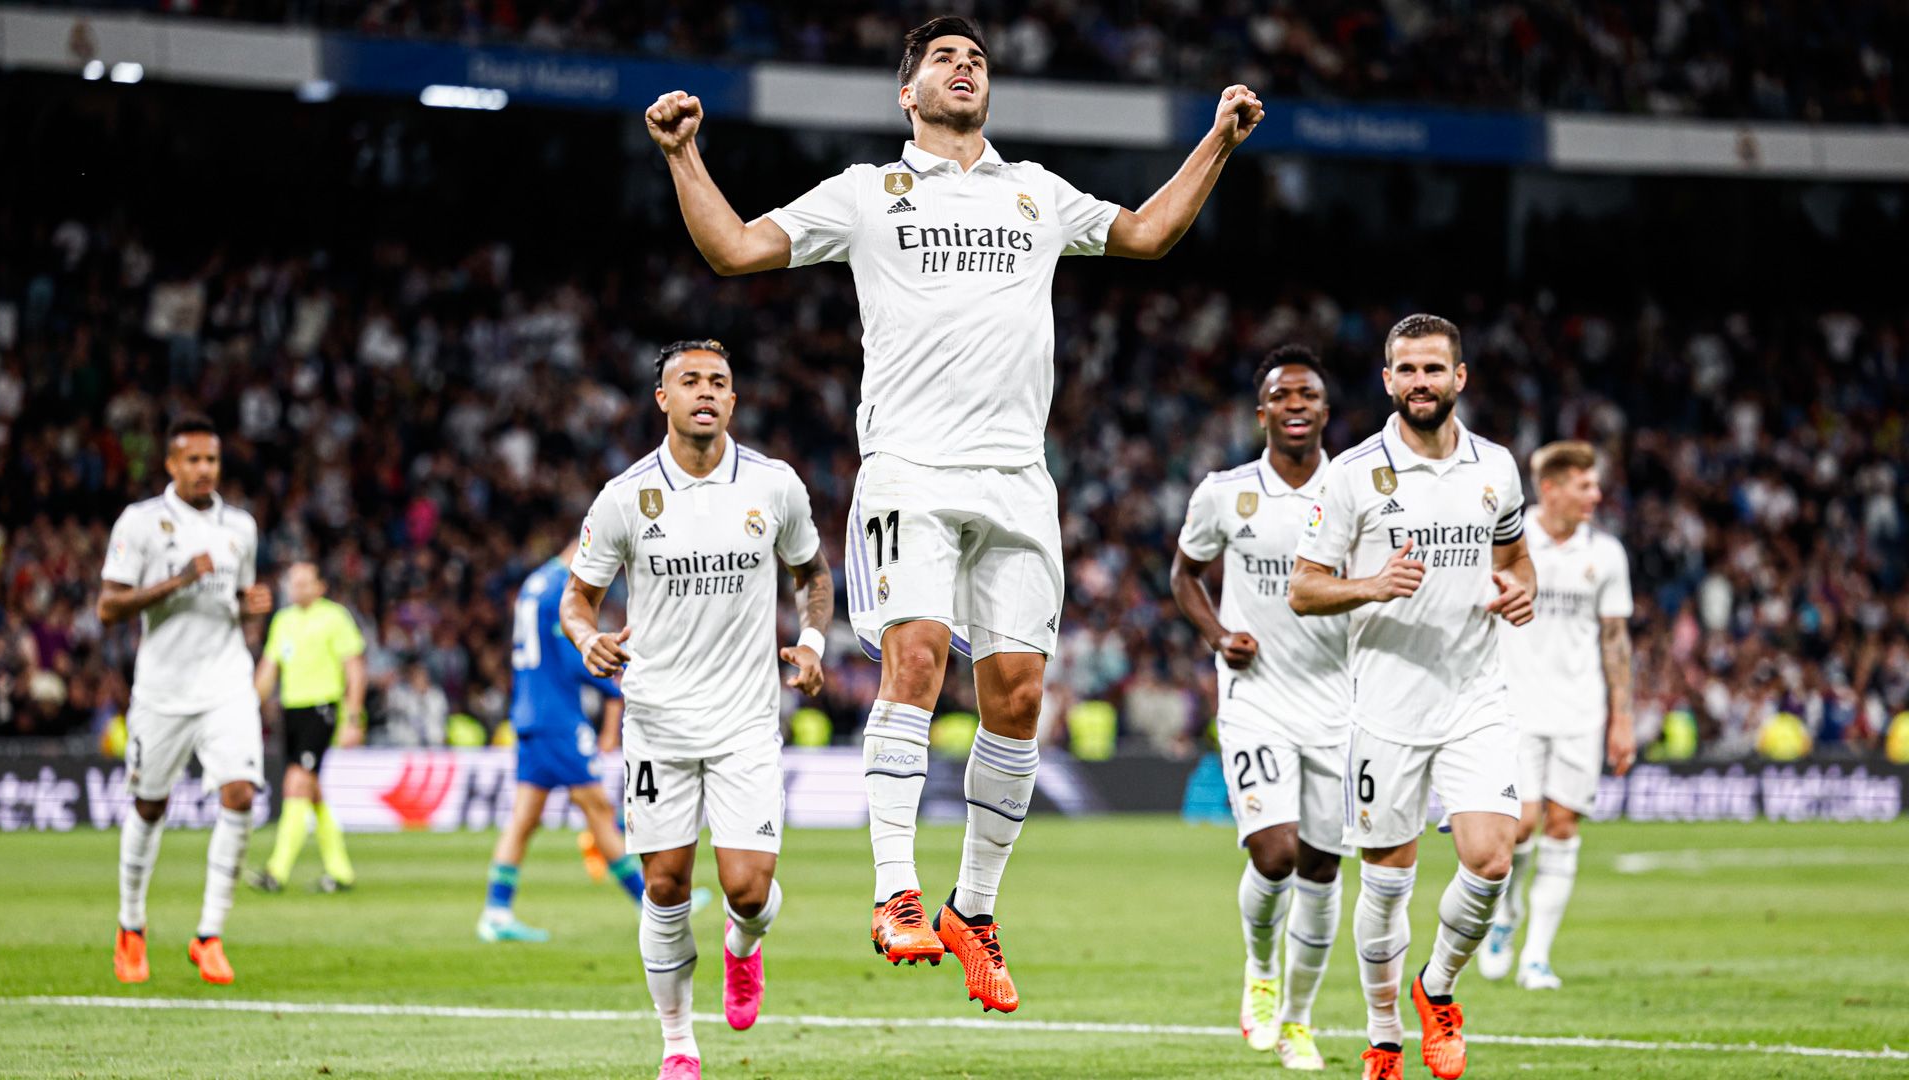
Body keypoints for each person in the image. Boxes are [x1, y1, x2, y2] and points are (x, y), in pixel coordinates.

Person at [643, 14, 1263, 1012]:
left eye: (976, 58)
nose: (965, 66)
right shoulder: (866, 193)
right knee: (919, 656)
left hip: (1018, 477)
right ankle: (895, 887)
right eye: (944, 58)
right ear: (909, 93)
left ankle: (973, 909)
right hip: (912, 469)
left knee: (1018, 693)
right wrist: (682, 155)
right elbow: (735, 249)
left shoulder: (1037, 192)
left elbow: (1148, 234)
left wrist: (1218, 142)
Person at [561, 340, 831, 1080]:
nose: (705, 391)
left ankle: (744, 947)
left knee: (748, 891)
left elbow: (812, 572)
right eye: (690, 381)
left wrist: (811, 643)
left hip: (745, 721)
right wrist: (587, 638)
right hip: (657, 721)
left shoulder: (773, 485)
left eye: (718, 382)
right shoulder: (625, 497)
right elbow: (578, 597)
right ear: (664, 399)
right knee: (665, 887)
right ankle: (678, 1044)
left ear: (733, 401)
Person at [1290, 314, 1536, 1080]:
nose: (1420, 382)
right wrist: (1372, 585)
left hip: (1474, 697)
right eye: (1407, 369)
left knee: (1491, 860)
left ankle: (1438, 989)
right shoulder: (1352, 474)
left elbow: (1517, 560)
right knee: (1387, 883)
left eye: (1434, 369)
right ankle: (1383, 1037)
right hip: (1387, 707)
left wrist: (1521, 590)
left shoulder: (1497, 468)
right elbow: (1303, 589)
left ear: (1459, 377)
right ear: (1387, 379)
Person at [1171, 346, 1347, 1071]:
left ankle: (1300, 1019)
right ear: (1262, 412)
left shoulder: (1357, 490)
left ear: (1325, 410)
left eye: (1308, 394)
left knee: (1322, 865)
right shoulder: (1225, 493)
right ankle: (1261, 969)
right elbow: (1185, 574)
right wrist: (1219, 636)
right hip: (1256, 698)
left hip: (1341, 701)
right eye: (1282, 395)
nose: (1295, 405)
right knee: (1275, 853)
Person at [100, 417, 273, 986]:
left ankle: (209, 935)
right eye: (193, 460)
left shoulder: (240, 527)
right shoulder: (141, 522)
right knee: (150, 805)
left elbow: (235, 600)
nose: (204, 469)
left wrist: (250, 606)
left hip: (226, 681)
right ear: (171, 465)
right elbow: (108, 607)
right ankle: (131, 925)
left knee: (240, 793)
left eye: (212, 460)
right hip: (163, 689)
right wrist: (176, 581)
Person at [1480, 440, 1636, 989]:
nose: (1595, 495)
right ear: (1550, 488)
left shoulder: (1607, 554)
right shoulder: (1508, 539)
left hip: (1580, 711)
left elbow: (1614, 638)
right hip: (1513, 705)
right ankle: (1506, 914)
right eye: (1584, 485)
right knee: (1521, 824)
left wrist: (1622, 717)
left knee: (1564, 825)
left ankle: (1537, 956)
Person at [475, 540, 662, 942]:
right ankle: (650, 904)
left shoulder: (535, 583)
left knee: (524, 819)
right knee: (598, 808)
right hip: (557, 717)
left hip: (530, 711)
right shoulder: (563, 588)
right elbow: (573, 657)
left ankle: (496, 911)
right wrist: (614, 686)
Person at [248, 561, 365, 893]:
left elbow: (355, 669)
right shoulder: (283, 621)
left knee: (296, 783)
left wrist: (353, 717)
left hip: (322, 708)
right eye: (293, 582)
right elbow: (269, 669)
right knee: (311, 791)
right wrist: (247, 707)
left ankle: (276, 872)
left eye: (303, 582)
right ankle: (340, 871)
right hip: (291, 712)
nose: (296, 588)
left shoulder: (335, 617)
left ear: (320, 586)